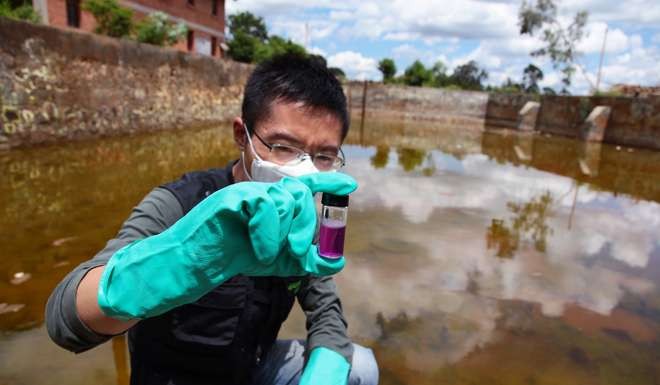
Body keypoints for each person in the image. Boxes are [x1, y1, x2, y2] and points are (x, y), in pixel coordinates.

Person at [45, 54, 379, 385]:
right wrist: (182, 260)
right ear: (241, 135)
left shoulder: (304, 224)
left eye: (324, 156)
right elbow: (64, 321)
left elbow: (327, 312)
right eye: (282, 147)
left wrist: (327, 363)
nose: (303, 169)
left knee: (359, 367)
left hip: (250, 368)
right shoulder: (177, 203)